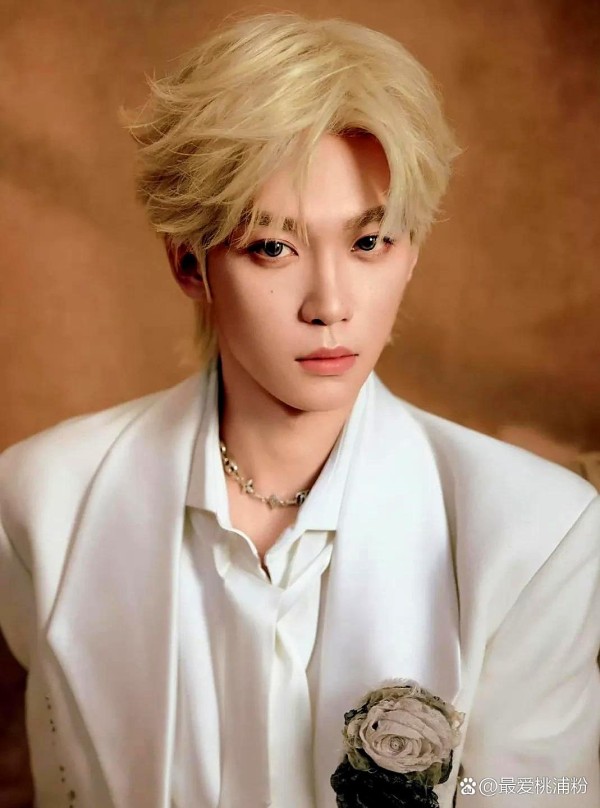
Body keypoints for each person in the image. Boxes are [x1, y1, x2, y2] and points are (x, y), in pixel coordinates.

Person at [0, 11, 598, 808]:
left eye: (369, 242)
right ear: (189, 264)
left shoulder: (539, 532)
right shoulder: (36, 504)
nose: (330, 304)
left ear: (411, 252)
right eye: (272, 247)